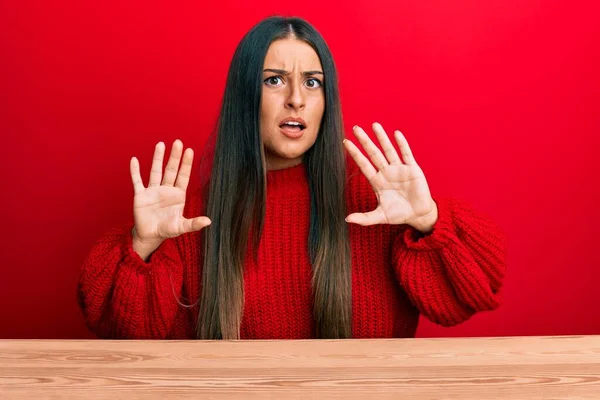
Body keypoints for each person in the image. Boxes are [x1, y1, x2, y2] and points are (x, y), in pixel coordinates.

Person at [77, 16, 507, 340]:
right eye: (275, 80)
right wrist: (143, 246)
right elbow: (114, 329)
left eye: (313, 83)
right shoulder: (192, 220)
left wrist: (428, 222)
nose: (297, 99)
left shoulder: (376, 205)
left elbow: (475, 293)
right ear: (245, 97)